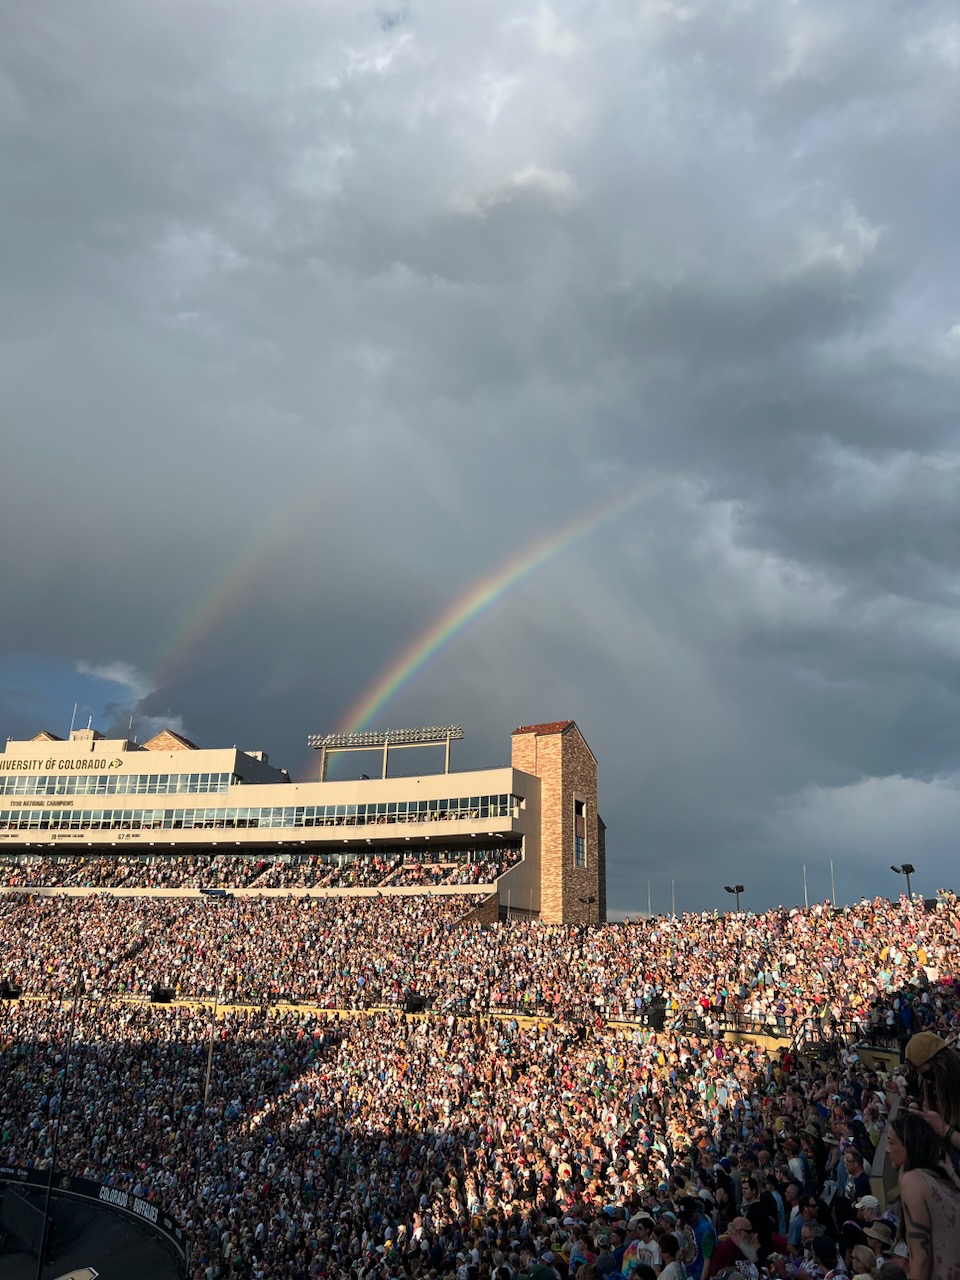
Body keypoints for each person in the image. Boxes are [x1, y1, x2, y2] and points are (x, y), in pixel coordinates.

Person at [887, 1110, 960, 1280]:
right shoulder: (942, 1176)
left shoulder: (912, 1180)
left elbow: (922, 1259)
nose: (887, 1149)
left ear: (909, 1144)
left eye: (891, 1143)